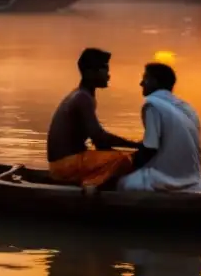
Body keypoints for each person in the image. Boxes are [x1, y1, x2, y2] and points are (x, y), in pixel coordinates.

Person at [47, 48, 140, 187]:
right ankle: (91, 186)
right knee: (123, 160)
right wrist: (136, 145)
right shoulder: (82, 98)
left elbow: (100, 143)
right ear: (90, 73)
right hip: (64, 166)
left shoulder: (84, 95)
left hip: (67, 163)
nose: (108, 76)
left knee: (123, 159)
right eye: (105, 70)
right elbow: (99, 137)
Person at [117, 63, 201, 192]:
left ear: (155, 82)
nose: (141, 83)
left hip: (169, 180)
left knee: (122, 182)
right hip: (195, 182)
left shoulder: (152, 104)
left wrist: (126, 166)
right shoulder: (187, 108)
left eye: (145, 78)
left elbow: (150, 148)